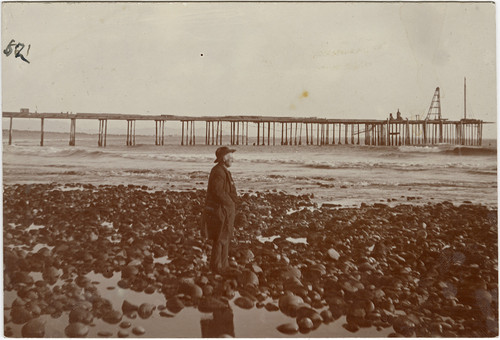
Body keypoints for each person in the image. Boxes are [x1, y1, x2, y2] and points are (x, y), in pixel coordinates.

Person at [204, 146, 238, 274]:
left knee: (225, 236)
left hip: (224, 209)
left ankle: (224, 265)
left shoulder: (222, 170)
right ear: (223, 158)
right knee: (220, 237)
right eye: (230, 157)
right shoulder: (218, 171)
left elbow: (227, 191)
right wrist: (230, 203)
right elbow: (217, 191)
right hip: (220, 209)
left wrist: (233, 201)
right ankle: (218, 267)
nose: (232, 159)